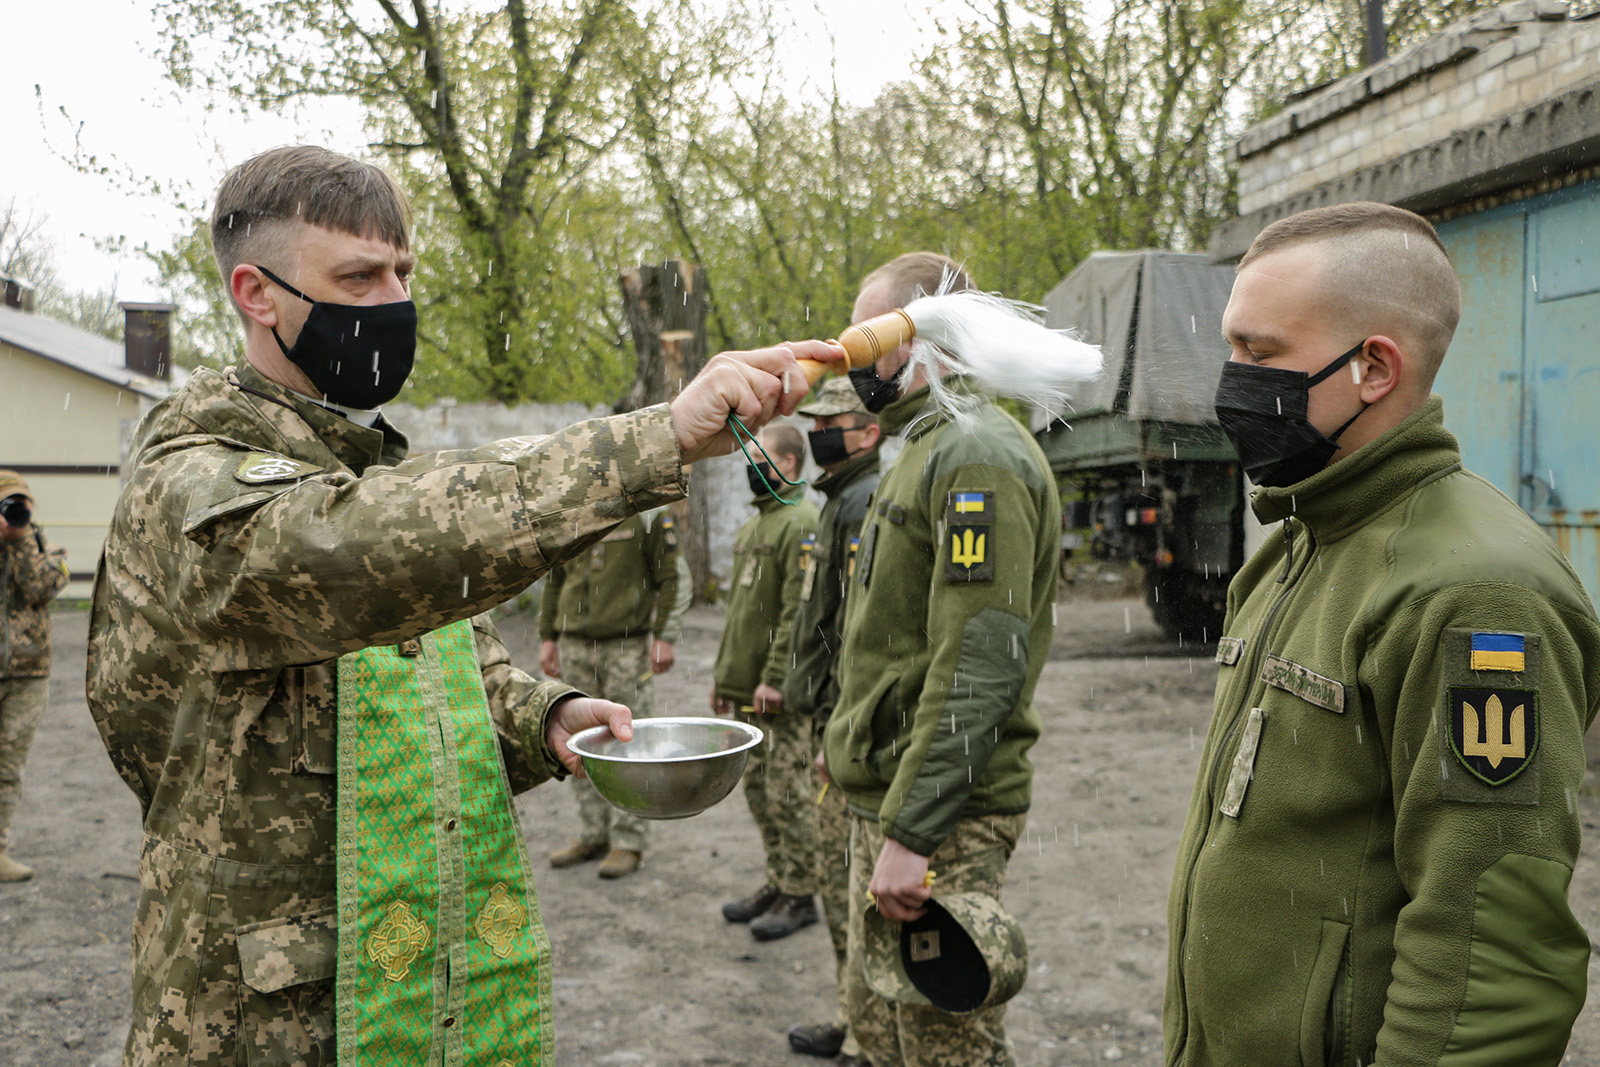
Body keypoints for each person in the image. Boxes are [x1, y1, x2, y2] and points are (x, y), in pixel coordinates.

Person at [84, 144, 837, 1067]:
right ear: (257, 292)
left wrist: (544, 716)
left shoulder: (366, 462)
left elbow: (442, 665)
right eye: (357, 277)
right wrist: (653, 442)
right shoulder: (190, 477)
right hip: (259, 1016)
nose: (391, 303)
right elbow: (351, 552)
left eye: (402, 272)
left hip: (426, 978)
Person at [1164, 202, 1600, 1067]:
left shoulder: (1475, 594)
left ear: (1373, 367)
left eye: (1259, 353)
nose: (1232, 380)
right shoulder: (1301, 540)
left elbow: (1491, 954)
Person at [821, 252, 1059, 1067]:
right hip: (891, 797)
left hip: (942, 814)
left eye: (867, 339)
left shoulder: (976, 457)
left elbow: (979, 663)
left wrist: (916, 832)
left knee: (944, 1040)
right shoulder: (924, 448)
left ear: (927, 337)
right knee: (881, 1024)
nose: (854, 359)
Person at [782, 377, 882, 1062]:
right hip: (829, 717)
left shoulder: (864, 499)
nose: (820, 431)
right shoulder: (840, 496)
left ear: (868, 431)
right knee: (838, 881)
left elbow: (858, 629)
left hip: (846, 725)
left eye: (834, 421)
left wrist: (838, 727)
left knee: (852, 887)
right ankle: (855, 1018)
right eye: (814, 420)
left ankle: (867, 1032)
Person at [713, 422, 822, 941]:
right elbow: (742, 615)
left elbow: (796, 613)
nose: (750, 466)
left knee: (787, 791)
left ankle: (801, 894)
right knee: (758, 790)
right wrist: (725, 679)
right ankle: (778, 881)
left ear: (790, 463)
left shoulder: (801, 522)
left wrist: (777, 677)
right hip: (746, 691)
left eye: (761, 458)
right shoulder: (754, 527)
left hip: (776, 692)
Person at [539, 504, 690, 878]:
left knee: (628, 741)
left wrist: (665, 636)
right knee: (579, 741)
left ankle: (628, 840)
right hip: (575, 644)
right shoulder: (571, 514)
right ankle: (594, 832)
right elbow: (555, 580)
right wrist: (547, 636)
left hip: (626, 645)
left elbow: (673, 577)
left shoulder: (649, 514)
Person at [0, 471, 69, 883]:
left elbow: (41, 589)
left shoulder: (41, 543)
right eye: (8, 503)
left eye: (20, 504)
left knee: (7, 769)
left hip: (27, 675)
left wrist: (21, 539)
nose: (15, 512)